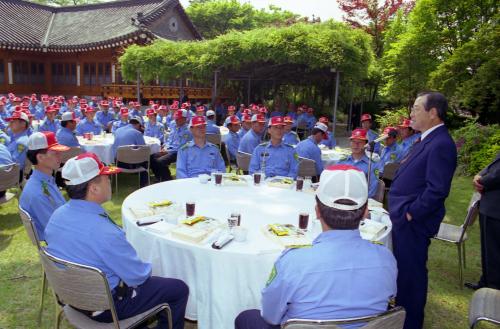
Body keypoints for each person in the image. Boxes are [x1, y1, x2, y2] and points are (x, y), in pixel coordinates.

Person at [235, 165, 397, 329]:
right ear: (365, 213)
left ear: (317, 211)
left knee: (247, 318)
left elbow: (270, 316)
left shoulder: (294, 261)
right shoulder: (386, 258)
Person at [44, 152, 189, 329]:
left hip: (72, 297)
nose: (109, 182)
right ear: (93, 188)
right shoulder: (104, 232)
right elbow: (139, 276)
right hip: (105, 307)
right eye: (106, 178)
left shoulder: (56, 216)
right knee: (179, 289)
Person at [388, 91, 457, 329]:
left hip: (413, 222)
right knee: (404, 273)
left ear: (433, 113)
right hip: (405, 218)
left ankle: (410, 323)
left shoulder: (441, 144)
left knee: (412, 276)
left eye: (416, 108)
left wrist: (411, 212)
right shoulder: (426, 138)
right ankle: (400, 315)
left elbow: (437, 189)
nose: (411, 113)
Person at [19, 131, 69, 240]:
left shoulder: (45, 181)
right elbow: (56, 231)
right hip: (62, 244)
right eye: (55, 153)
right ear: (40, 157)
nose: (60, 157)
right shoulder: (38, 192)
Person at [466, 153, 500, 290]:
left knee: (494, 251)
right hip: (489, 205)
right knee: (487, 249)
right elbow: (492, 166)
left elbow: (497, 175)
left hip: (496, 208)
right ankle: (485, 281)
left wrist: (482, 181)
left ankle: (493, 287)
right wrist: (478, 176)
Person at [150, 109, 192, 182]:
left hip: (178, 152)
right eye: (175, 118)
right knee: (151, 157)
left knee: (160, 161)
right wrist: (165, 146)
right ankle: (160, 177)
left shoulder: (188, 131)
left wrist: (167, 151)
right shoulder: (174, 126)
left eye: (178, 118)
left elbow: (183, 146)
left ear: (185, 119)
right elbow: (169, 139)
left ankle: (167, 180)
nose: (176, 120)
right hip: (169, 149)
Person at [337, 129, 379, 199]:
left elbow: (372, 190)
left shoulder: (371, 165)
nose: (356, 145)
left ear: (366, 144)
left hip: (360, 201)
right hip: (341, 198)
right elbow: (336, 181)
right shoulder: (342, 161)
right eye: (353, 142)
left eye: (360, 142)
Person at [113, 116, 148, 187]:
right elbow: (143, 149)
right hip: (131, 164)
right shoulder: (137, 133)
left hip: (117, 162)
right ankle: (144, 184)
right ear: (139, 125)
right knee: (147, 157)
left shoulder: (118, 130)